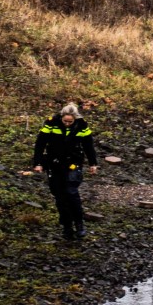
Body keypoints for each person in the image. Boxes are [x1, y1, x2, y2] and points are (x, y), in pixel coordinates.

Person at [31, 102, 98, 240]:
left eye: (70, 122)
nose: (67, 124)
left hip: (73, 163)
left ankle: (79, 224)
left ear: (75, 119)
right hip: (54, 164)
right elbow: (40, 143)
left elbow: (88, 145)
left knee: (71, 192)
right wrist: (37, 163)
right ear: (61, 117)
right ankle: (67, 226)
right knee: (59, 196)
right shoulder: (51, 124)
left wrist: (93, 163)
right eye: (65, 121)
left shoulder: (82, 126)